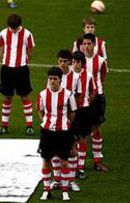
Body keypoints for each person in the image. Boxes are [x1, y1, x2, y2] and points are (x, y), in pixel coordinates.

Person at [37, 67, 77, 201]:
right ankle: (46, 190)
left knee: (64, 162)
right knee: (46, 160)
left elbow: (72, 111)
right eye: (50, 78)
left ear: (60, 80)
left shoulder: (68, 94)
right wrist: (45, 122)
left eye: (55, 79)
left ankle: (65, 191)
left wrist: (67, 124)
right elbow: (40, 110)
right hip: (47, 132)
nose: (52, 81)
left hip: (63, 132)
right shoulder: (42, 94)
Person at [0, 14, 35, 136]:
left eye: (15, 27)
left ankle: (29, 126)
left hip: (21, 69)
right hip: (7, 69)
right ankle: (4, 126)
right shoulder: (3, 33)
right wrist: (6, 60)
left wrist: (23, 59)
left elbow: (30, 50)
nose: (13, 30)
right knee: (7, 97)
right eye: (11, 27)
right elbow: (1, 50)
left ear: (19, 25)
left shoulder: (27, 34)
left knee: (25, 97)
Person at [50, 49, 80, 191]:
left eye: (65, 61)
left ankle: (72, 180)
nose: (62, 64)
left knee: (72, 150)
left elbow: (78, 98)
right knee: (55, 150)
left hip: (70, 119)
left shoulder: (75, 77)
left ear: (70, 62)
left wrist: (70, 119)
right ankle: (57, 179)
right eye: (60, 61)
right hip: (55, 121)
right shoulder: (53, 77)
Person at [82, 33, 109, 172]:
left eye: (89, 44)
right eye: (84, 44)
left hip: (97, 98)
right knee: (82, 131)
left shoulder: (100, 61)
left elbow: (103, 75)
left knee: (96, 128)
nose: (86, 47)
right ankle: (80, 164)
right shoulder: (78, 61)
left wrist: (97, 90)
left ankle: (97, 161)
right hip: (82, 98)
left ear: (94, 45)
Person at [72, 51, 97, 179]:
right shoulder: (67, 75)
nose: (76, 65)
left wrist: (87, 101)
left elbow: (93, 91)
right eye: (74, 62)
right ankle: (72, 166)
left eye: (78, 63)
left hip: (84, 110)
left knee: (82, 138)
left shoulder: (88, 75)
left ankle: (80, 168)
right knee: (71, 140)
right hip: (71, 111)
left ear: (83, 64)